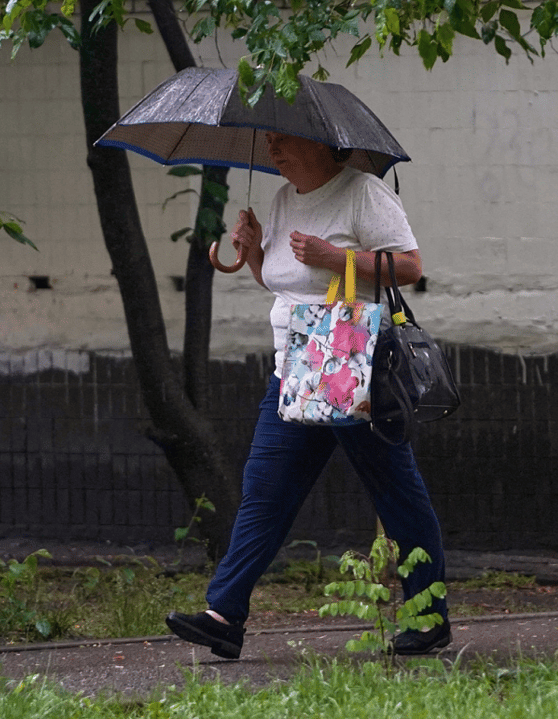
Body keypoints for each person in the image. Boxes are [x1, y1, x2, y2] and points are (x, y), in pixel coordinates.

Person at [165, 131, 450, 659]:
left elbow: (409, 267)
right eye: (269, 141)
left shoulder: (362, 192)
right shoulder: (281, 200)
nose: (273, 150)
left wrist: (335, 256)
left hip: (352, 371)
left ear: (325, 144)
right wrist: (251, 254)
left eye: (284, 141)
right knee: (264, 492)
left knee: (397, 493)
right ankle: (224, 615)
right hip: (294, 373)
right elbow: (283, 284)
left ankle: (427, 617)